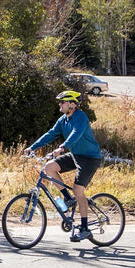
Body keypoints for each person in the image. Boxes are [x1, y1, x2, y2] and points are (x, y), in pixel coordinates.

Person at [23, 90, 103, 242]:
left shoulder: (81, 117)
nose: (59, 105)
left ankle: (85, 228)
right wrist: (32, 147)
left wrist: (62, 147)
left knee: (78, 190)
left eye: (62, 102)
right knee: (49, 167)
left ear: (71, 104)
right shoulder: (63, 120)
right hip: (76, 155)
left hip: (90, 158)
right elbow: (50, 134)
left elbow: (76, 133)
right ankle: (68, 199)